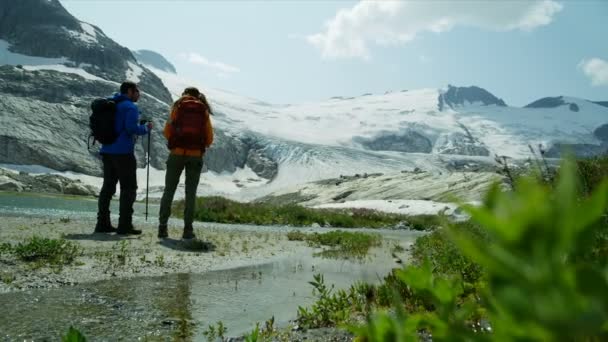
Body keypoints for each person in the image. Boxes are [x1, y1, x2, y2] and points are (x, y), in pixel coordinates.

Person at [94, 81, 152, 235]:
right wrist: (145, 128)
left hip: (107, 150)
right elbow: (131, 128)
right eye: (137, 91)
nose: (138, 95)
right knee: (128, 188)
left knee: (108, 187)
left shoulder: (111, 103)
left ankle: (102, 224)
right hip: (123, 152)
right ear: (130, 91)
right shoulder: (130, 107)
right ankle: (124, 225)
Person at [158, 87, 213, 239]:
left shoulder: (177, 106)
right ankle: (187, 230)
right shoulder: (203, 109)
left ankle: (163, 227)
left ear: (184, 94)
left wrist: (176, 141)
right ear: (197, 95)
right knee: (190, 193)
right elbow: (209, 138)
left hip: (176, 153)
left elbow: (167, 131)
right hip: (195, 155)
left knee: (169, 190)